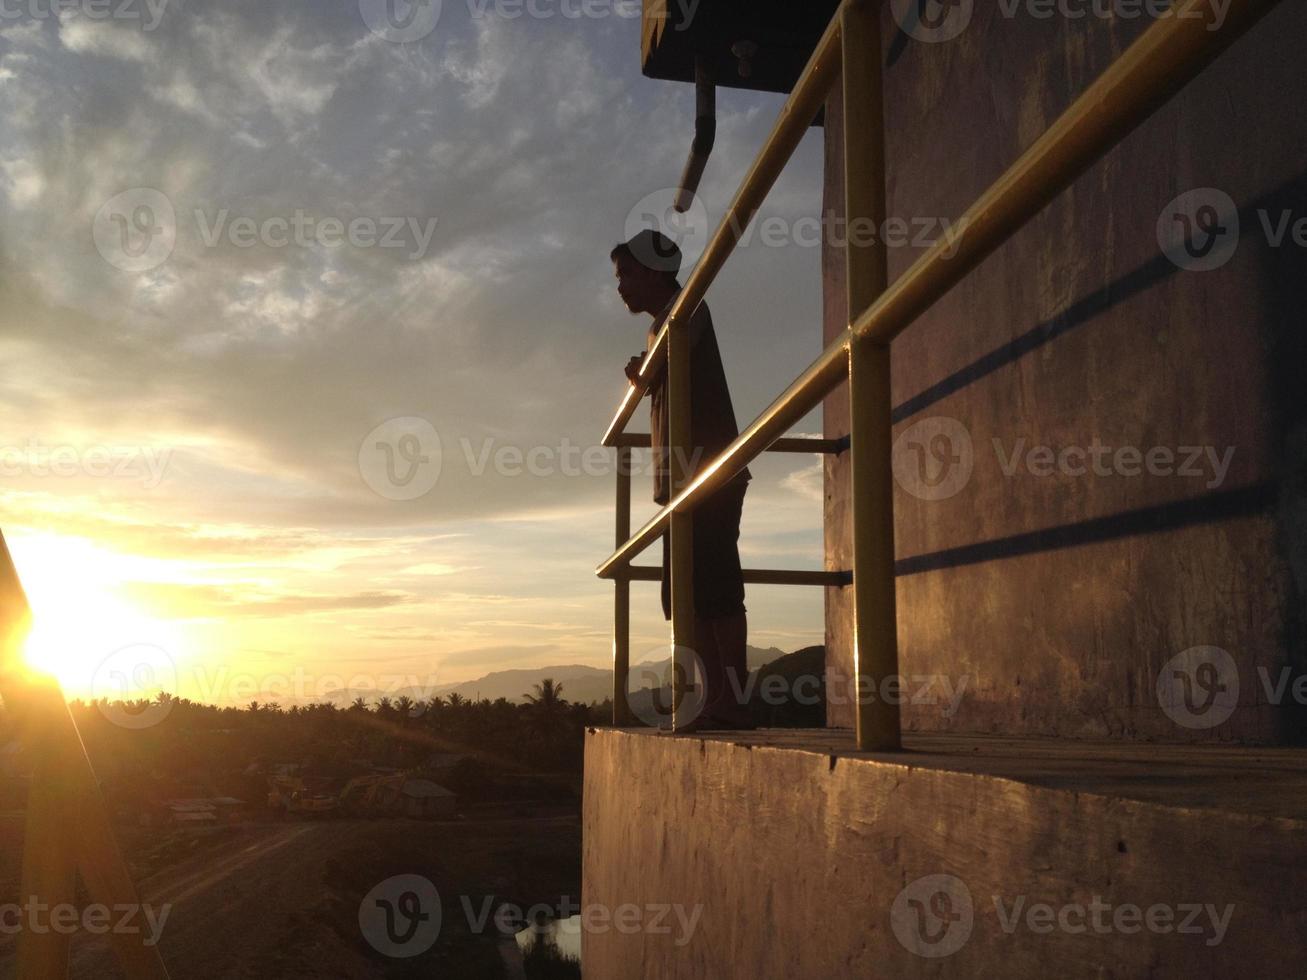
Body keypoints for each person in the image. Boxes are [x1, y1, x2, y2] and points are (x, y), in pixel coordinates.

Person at [611, 229, 753, 730]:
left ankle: (728, 704)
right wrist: (645, 371)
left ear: (652, 271)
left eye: (627, 273)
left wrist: (647, 370)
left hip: (709, 472)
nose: (622, 286)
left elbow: (676, 350)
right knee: (685, 594)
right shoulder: (659, 329)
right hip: (681, 481)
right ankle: (713, 701)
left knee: (715, 589)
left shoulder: (686, 307)